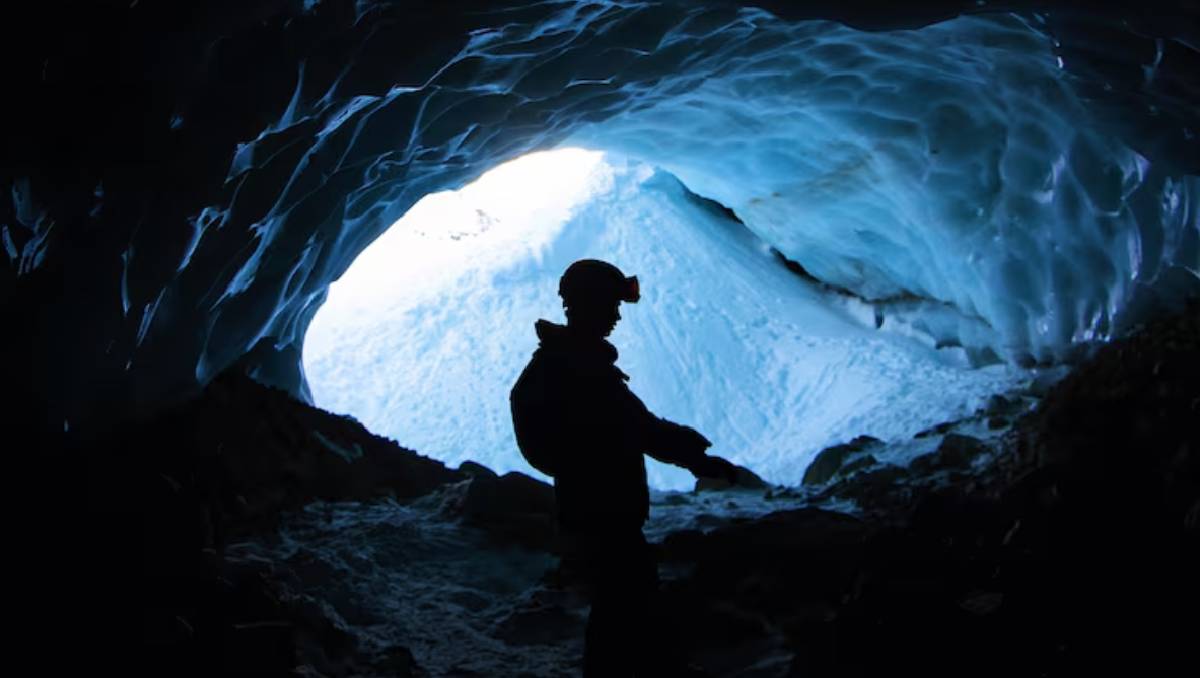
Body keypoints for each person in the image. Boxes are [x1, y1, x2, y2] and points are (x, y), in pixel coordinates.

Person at [510, 259, 739, 676]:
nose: (617, 315)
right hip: (605, 510)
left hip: (591, 507)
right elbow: (639, 428)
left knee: (621, 604)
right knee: (624, 604)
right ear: (588, 305)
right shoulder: (581, 369)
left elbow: (633, 428)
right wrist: (695, 456)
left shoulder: (568, 362)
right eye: (611, 305)